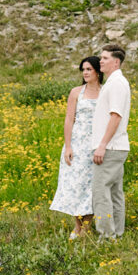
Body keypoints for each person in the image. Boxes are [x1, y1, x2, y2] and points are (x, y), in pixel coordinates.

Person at [50, 56, 103, 238]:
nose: (86, 73)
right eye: (83, 70)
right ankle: (77, 227)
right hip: (78, 145)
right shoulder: (76, 92)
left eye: (89, 69)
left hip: (95, 146)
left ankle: (86, 228)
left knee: (91, 188)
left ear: (98, 71)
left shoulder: (104, 92)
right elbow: (69, 119)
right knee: (76, 186)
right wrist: (68, 146)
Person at [92, 44, 130, 241]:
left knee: (101, 192)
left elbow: (115, 116)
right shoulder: (116, 82)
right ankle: (117, 233)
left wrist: (102, 145)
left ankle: (106, 237)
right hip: (116, 146)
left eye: (105, 58)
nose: (101, 61)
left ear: (116, 62)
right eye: (101, 57)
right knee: (115, 192)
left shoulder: (116, 84)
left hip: (110, 147)